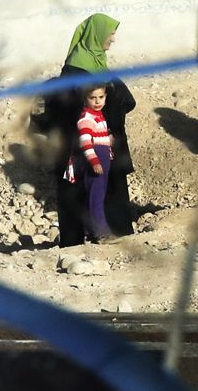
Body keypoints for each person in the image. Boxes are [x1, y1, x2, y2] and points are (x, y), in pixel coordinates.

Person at [44, 13, 136, 246]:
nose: (113, 39)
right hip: (85, 148)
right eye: (110, 33)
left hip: (101, 147)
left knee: (101, 192)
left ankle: (102, 234)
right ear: (95, 35)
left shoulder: (96, 69)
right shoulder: (77, 75)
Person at [75, 84, 115, 241]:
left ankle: (90, 231)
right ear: (85, 99)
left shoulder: (99, 115)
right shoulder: (86, 118)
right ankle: (101, 233)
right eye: (93, 98)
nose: (97, 101)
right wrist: (95, 162)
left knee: (97, 195)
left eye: (101, 97)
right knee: (96, 197)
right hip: (96, 160)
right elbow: (85, 142)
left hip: (103, 158)